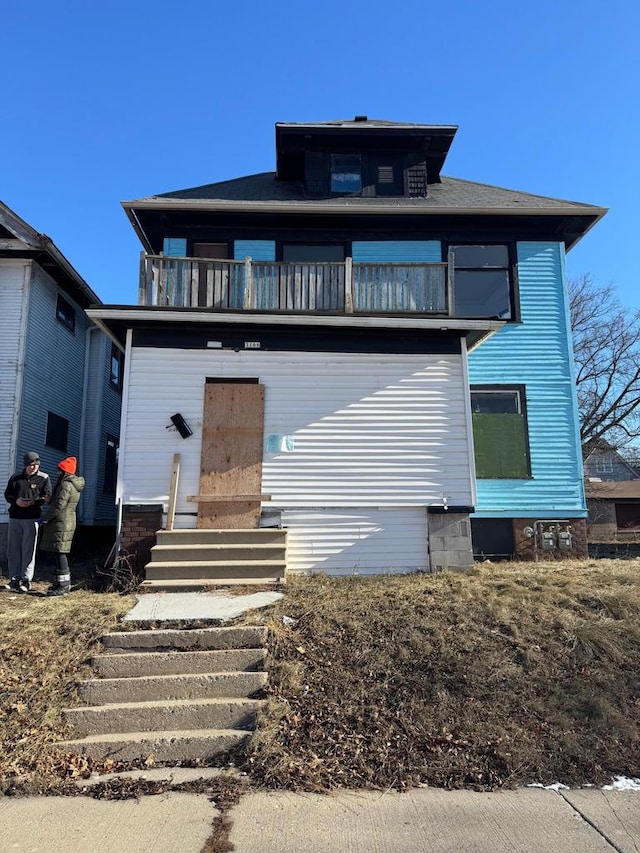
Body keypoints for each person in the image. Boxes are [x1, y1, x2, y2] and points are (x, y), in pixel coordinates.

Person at [4, 451, 52, 592]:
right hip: (15, 517)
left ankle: (26, 580)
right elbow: (8, 494)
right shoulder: (15, 477)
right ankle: (14, 579)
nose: (34, 467)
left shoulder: (44, 478)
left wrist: (34, 502)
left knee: (28, 549)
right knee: (13, 548)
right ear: (26, 465)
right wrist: (16, 501)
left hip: (32, 518)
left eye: (36, 464)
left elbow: (47, 496)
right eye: (31, 465)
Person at [40, 457, 85, 596]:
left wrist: (46, 519)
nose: (57, 473)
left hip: (61, 522)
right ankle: (60, 583)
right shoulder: (73, 485)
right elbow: (58, 502)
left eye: (59, 471)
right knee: (59, 552)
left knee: (60, 553)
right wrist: (50, 500)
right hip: (66, 521)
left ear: (65, 472)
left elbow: (59, 505)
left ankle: (64, 586)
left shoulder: (66, 485)